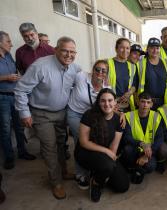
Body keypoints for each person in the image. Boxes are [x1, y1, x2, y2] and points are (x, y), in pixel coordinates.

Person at [14, 36, 81, 199]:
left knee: (61, 144)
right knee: (49, 148)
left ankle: (63, 171)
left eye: (72, 52)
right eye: (65, 50)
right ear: (56, 50)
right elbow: (21, 89)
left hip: (62, 112)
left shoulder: (74, 68)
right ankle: (56, 182)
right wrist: (24, 113)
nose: (69, 55)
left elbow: (85, 83)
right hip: (41, 114)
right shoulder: (40, 66)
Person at [74, 88, 129, 202]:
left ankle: (99, 173)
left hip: (104, 155)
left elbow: (114, 147)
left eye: (110, 100)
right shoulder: (89, 115)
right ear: (98, 102)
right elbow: (84, 142)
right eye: (103, 101)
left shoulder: (119, 119)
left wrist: (110, 155)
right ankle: (96, 183)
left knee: (123, 186)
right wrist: (106, 152)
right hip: (85, 152)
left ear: (115, 102)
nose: (107, 104)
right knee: (107, 165)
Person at [67, 59, 110, 189]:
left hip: (92, 118)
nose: (100, 72)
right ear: (93, 70)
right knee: (81, 142)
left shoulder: (107, 88)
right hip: (75, 113)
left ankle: (92, 167)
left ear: (107, 73)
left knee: (92, 143)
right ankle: (81, 174)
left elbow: (112, 104)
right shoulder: (81, 76)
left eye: (104, 71)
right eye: (97, 69)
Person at [0, 31, 36, 170]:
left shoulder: (9, 55)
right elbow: (8, 76)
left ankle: (22, 151)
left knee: (19, 126)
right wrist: (6, 78)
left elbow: (16, 72)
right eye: (8, 41)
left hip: (14, 95)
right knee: (5, 128)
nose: (11, 44)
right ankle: (9, 157)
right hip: (2, 97)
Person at [122, 92, 164, 183]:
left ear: (152, 104)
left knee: (151, 167)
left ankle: (138, 168)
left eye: (148, 102)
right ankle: (132, 167)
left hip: (149, 150)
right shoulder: (129, 116)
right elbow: (126, 137)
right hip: (135, 147)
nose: (145, 105)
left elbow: (160, 138)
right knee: (127, 150)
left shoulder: (156, 116)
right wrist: (141, 143)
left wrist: (146, 155)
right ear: (137, 102)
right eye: (143, 102)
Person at [138, 38, 167, 110]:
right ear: (147, 49)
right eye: (152, 48)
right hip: (146, 103)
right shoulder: (140, 64)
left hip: (163, 103)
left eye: (157, 48)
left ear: (160, 49)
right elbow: (135, 84)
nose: (155, 51)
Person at [108, 38, 138, 112]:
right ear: (116, 49)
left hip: (127, 105)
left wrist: (129, 93)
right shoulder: (107, 63)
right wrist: (113, 100)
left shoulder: (133, 66)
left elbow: (134, 84)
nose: (125, 51)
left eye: (127, 48)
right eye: (122, 48)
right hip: (111, 105)